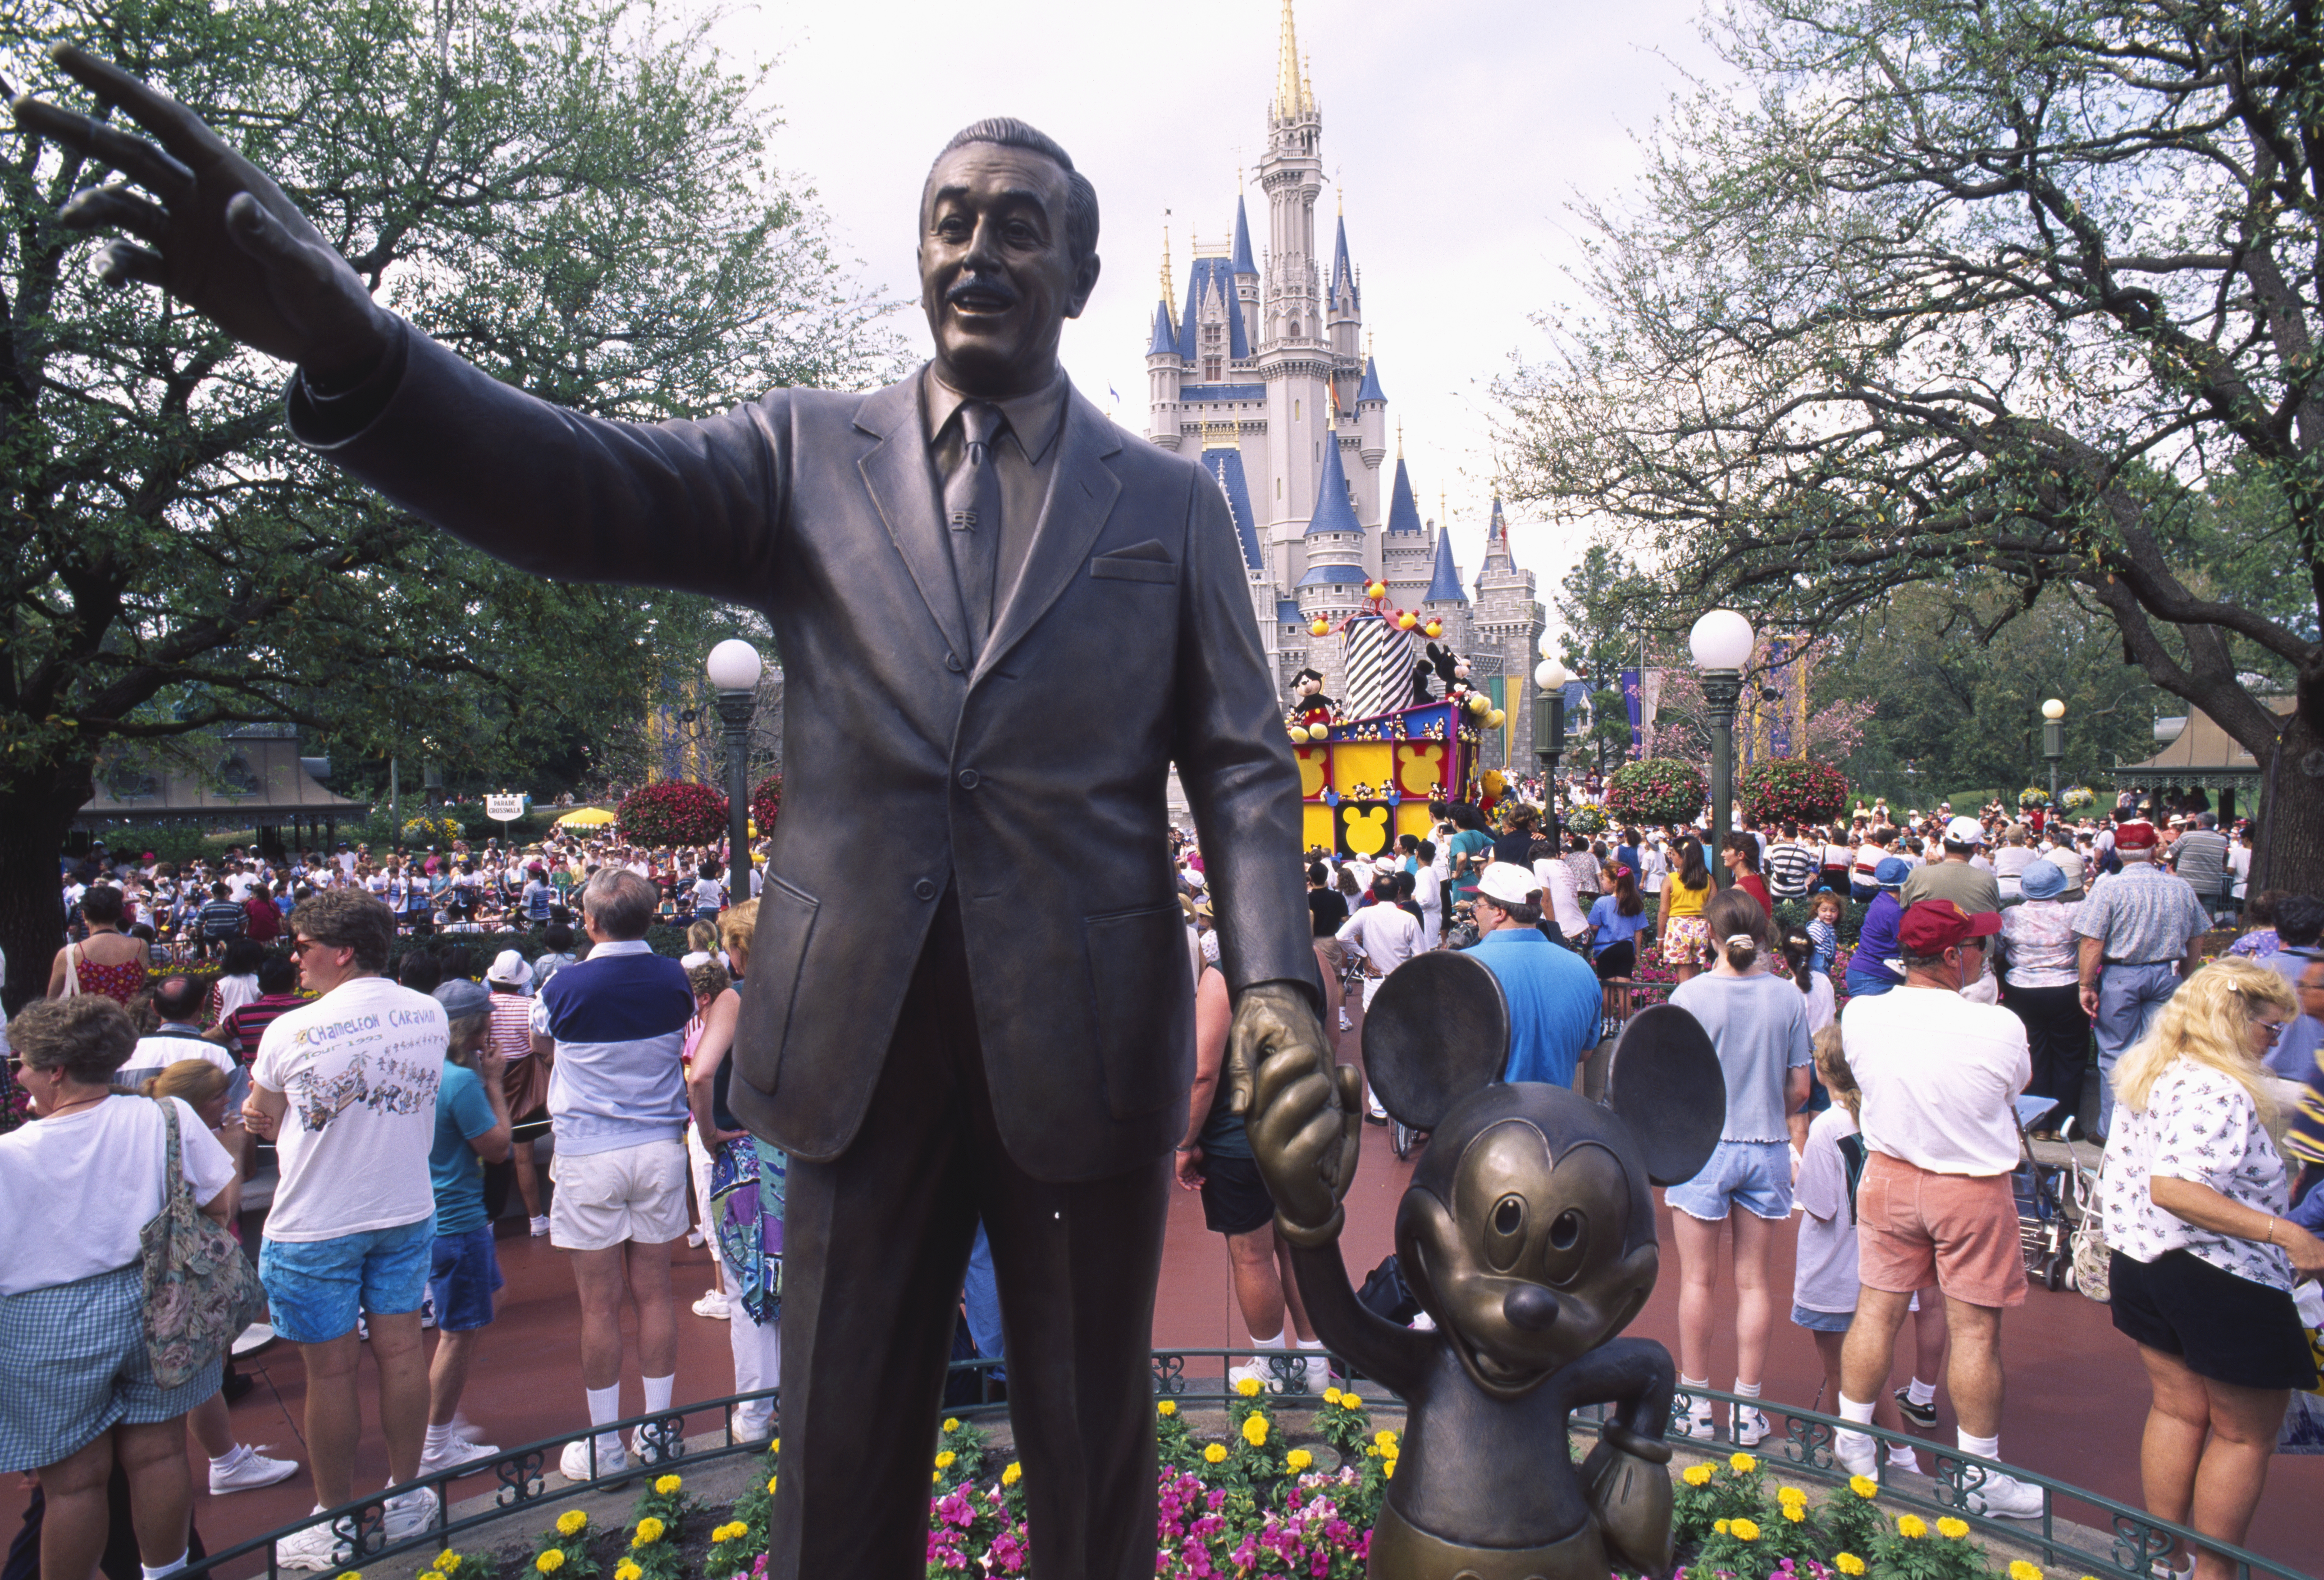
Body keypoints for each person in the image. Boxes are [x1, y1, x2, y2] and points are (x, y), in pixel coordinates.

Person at [26, 76, 1332, 1580]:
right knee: (836, 1456)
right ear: (919, 253)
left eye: (1019, 229)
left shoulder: (1167, 504)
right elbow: (580, 485)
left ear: (1083, 277)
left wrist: (1277, 983)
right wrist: (361, 351)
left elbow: (1243, 765)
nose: (979, 252)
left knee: (1092, 1459)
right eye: (951, 222)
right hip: (852, 1052)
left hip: (1084, 1044)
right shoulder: (805, 456)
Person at [2098, 959, 2324, 1580]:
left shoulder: (2152, 1068)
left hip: (2142, 1261)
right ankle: (2215, 1573)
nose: (2274, 1038)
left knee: (2177, 1409)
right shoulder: (2218, 1089)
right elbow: (2175, 1186)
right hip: (2220, 1275)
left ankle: (2166, 1557)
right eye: (2269, 1027)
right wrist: (2288, 1233)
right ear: (2232, 1018)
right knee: (2243, 1433)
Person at [241, 888, 447, 1569]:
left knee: (329, 1375)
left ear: (342, 951)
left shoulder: (289, 1030)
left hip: (316, 1222)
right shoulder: (428, 1011)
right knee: (403, 1353)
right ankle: (407, 1495)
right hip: (405, 1209)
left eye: (302, 946)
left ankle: (333, 1519)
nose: (294, 958)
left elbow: (263, 1115)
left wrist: (265, 1114)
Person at [0, 997, 237, 1580]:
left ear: (56, 1069)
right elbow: (220, 1203)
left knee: (73, 1485)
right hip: (156, 1297)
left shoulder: (10, 1155)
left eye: (22, 1062)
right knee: (160, 1455)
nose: (18, 1073)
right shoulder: (166, 1117)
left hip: (44, 1320)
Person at [1834, 899, 2044, 1518]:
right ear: (1953, 956)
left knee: (1876, 1312)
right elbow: (2016, 1086)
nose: (1983, 955)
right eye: (1976, 946)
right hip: (1970, 1189)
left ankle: (1852, 1439)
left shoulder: (1861, 1013)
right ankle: (1981, 1476)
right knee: (1975, 1332)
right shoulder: (1999, 1025)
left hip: (1889, 1179)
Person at [529, 869, 695, 1480]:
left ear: (591, 921)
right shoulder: (675, 977)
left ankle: (604, 1445)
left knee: (598, 1307)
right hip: (658, 1149)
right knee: (656, 1293)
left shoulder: (562, 985)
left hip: (589, 1155)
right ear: (650, 917)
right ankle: (657, 1433)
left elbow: (541, 1045)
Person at [1664, 888, 1813, 1445]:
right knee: (1755, 1284)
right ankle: (1748, 1410)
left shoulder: (1689, 995)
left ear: (1711, 935)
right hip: (1766, 1144)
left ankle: (1696, 1403)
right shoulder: (1787, 997)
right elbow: (1801, 1088)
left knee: (1696, 1280)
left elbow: (1672, 1080)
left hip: (1704, 1147)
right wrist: (1771, 1105)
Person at [1175, 948, 1323, 1395]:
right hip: (1301, 1133)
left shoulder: (1223, 977)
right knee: (1296, 1250)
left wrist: (1185, 1143)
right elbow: (1330, 1043)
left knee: (1253, 1257)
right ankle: (1316, 1365)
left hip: (1238, 1141)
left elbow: (1203, 1074)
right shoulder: (1316, 962)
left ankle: (1272, 1367)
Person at [1790, 1030, 1923, 1474]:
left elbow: (1821, 1206)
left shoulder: (1827, 1127)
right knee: (1874, 1371)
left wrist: (1795, 1170)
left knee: (1841, 1374)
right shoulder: (1883, 1117)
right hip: (1878, 1265)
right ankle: (1902, 1456)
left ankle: (1851, 1457)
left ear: (1821, 1069)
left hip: (1833, 1271)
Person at [684, 903, 789, 1443]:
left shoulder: (736, 997)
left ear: (740, 947)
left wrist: (708, 1133)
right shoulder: (807, 992)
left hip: (746, 1156)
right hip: (799, 1156)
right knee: (796, 1286)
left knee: (752, 1291)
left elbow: (701, 1075)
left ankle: (753, 1415)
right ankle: (797, 1405)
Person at [417, 979, 511, 1476]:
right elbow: (497, 1147)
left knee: (484, 1304)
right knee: (458, 1333)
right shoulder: (459, 1082)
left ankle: (440, 1418)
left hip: (432, 1214)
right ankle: (435, 1441)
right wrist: (493, 1082)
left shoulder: (420, 1072)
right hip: (458, 1220)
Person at [2075, 820, 2215, 1140]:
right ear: (2153, 849)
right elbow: (2197, 936)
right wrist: (2184, 975)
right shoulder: (2179, 887)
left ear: (2117, 851)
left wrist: (2086, 985)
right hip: (2165, 973)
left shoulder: (2108, 888)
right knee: (2162, 1052)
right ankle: (2155, 1129)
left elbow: (2092, 941)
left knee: (2116, 1052)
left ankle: (2113, 1131)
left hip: (2121, 975)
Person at [1468, 863, 1603, 1091]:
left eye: (1477, 905)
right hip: (1555, 1110)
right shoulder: (1582, 969)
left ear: (1499, 912)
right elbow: (1585, 1053)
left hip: (1484, 1111)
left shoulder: (1463, 967)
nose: (1475, 913)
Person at [1995, 858, 2091, 1137]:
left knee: (2032, 1054)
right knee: (2070, 1056)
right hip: (2065, 989)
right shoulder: (2074, 912)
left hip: (2021, 990)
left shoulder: (2009, 916)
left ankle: (2038, 1124)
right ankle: (2064, 1124)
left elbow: (2000, 951)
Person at [482, 950, 548, 1234]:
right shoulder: (529, 1007)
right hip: (524, 1088)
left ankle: (487, 1222)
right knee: (524, 1158)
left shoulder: (483, 1007)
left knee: (490, 1156)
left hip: (491, 1085)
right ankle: (536, 1220)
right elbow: (541, 1046)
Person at [45, 884, 146, 1003]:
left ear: (84, 915)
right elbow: (140, 985)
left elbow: (51, 1001)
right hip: (126, 1015)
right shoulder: (140, 946)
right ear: (120, 913)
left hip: (84, 1015)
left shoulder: (69, 954)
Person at [1900, 816, 2002, 914]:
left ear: (1944, 844)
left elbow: (1904, 906)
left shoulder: (1917, 874)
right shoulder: (1987, 880)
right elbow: (1994, 912)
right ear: (1976, 848)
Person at [1843, 857, 1911, 998]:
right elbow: (1910, 945)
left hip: (1867, 975)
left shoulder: (1883, 898)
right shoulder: (1895, 912)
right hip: (1873, 978)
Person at [1656, 836, 1714, 985]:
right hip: (1701, 928)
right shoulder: (1709, 880)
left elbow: (1663, 911)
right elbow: (1713, 911)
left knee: (1684, 982)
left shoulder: (1671, 879)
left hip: (1678, 928)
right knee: (1695, 978)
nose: (1671, 857)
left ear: (1684, 856)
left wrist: (1660, 938)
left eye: (1674, 854)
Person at [1306, 861, 1352, 1034]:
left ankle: (1316, 1019)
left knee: (1314, 981)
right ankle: (1341, 1019)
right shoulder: (1337, 897)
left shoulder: (1307, 899)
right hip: (1331, 941)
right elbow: (1345, 919)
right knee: (1337, 980)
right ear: (1327, 877)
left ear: (1310, 879)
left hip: (1312, 943)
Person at [1586, 864, 1652, 982]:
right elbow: (1638, 932)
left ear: (1614, 883)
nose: (1602, 882)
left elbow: (1594, 927)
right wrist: (1637, 953)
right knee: (1624, 987)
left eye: (1604, 879)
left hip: (1605, 950)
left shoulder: (1601, 902)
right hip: (1626, 949)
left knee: (1608, 987)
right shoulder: (1635, 903)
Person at [1722, 832, 1775, 920]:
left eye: (1727, 850)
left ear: (1741, 855)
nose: (1722, 854)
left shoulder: (1739, 889)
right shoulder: (1760, 879)